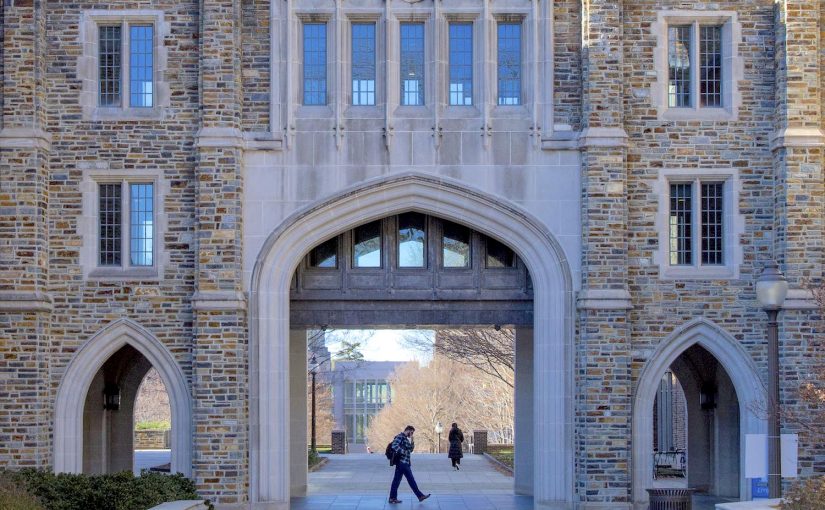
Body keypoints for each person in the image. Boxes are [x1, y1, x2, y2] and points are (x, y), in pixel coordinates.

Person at [388, 425, 431, 504]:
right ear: (408, 430)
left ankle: (392, 498)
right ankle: (420, 496)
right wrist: (403, 452)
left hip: (404, 463)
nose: (412, 434)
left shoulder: (406, 439)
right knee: (411, 480)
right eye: (411, 432)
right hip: (402, 463)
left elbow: (410, 450)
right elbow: (394, 446)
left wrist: (412, 440)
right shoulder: (400, 436)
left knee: (396, 481)